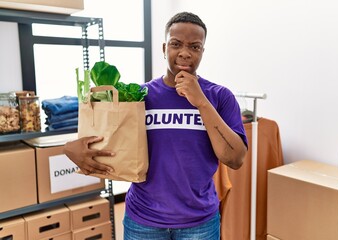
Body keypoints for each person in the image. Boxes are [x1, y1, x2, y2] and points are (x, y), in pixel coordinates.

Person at [64, 11, 248, 240]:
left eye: (194, 46)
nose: (184, 53)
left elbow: (235, 159)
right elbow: (103, 137)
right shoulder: (138, 97)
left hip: (199, 223)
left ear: (202, 51)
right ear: (164, 48)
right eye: (176, 44)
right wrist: (68, 148)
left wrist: (200, 101)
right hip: (143, 220)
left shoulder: (220, 96)